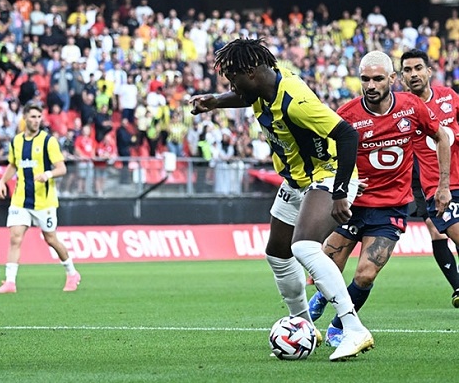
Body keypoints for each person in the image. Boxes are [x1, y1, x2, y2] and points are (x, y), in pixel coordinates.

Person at [191, 38, 373, 362]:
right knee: (277, 253)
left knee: (303, 247)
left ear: (251, 72)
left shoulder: (295, 100)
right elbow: (243, 96)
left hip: (328, 174)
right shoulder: (262, 88)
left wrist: (340, 192)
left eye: (233, 79)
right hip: (297, 180)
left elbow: (347, 134)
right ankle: (303, 326)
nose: (232, 87)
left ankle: (354, 328)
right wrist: (215, 102)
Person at [307, 50, 451, 346]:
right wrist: (345, 182)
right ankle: (322, 295)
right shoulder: (347, 115)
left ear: (392, 79)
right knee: (326, 268)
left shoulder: (411, 107)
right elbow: (324, 153)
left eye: (377, 79)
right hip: (351, 206)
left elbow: (442, 137)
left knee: (365, 275)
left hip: (390, 208)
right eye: (365, 79)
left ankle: (338, 327)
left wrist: (444, 185)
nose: (370, 85)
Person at [0, 101, 81, 294]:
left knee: (51, 239)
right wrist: (2, 182)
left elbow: (62, 168)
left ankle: (72, 273)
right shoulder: (16, 141)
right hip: (21, 199)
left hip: (44, 201)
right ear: (25, 118)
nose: (36, 120)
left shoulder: (48, 141)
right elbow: (13, 165)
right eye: (33, 116)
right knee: (15, 238)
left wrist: (47, 174)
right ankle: (10, 282)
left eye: (39, 117)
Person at [401, 49, 459, 306]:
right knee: (437, 231)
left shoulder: (449, 96)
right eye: (407, 70)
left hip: (455, 174)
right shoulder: (401, 108)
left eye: (418, 68)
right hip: (425, 182)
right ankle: (457, 287)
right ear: (401, 76)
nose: (413, 74)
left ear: (429, 71)